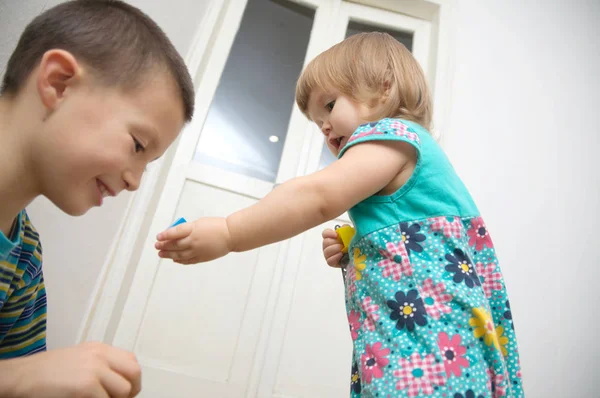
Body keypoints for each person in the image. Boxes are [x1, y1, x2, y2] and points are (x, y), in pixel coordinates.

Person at [156, 32, 523, 397]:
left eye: (329, 106)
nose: (324, 127)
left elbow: (317, 196)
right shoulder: (399, 160)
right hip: (425, 346)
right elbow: (417, 252)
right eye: (317, 123)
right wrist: (358, 250)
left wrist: (228, 232)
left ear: (384, 88)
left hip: (432, 349)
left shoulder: (395, 135)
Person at [0, 1, 194, 396]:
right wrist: (17, 379)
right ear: (58, 84)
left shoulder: (24, 262)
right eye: (138, 145)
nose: (135, 181)